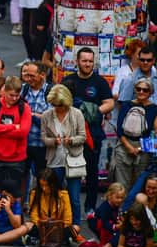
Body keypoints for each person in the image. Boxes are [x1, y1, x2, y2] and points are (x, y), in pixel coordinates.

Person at [61, 47, 115, 216]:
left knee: (92, 173)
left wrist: (94, 110)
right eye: (84, 60)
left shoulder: (100, 82)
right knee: (68, 170)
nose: (87, 64)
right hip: (70, 134)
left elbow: (110, 103)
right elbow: (58, 102)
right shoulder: (68, 80)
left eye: (90, 61)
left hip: (93, 134)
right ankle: (69, 206)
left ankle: (90, 207)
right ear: (77, 61)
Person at [41, 84, 86, 234]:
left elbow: (83, 136)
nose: (58, 108)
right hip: (54, 160)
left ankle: (75, 227)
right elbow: (43, 138)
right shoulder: (47, 115)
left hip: (73, 160)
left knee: (74, 197)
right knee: (54, 195)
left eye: (60, 105)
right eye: (55, 105)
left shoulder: (77, 114)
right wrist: (53, 141)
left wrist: (71, 140)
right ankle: (55, 225)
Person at [0, 76, 32, 184]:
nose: (14, 98)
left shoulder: (24, 107)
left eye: (17, 95)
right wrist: (14, 126)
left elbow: (23, 132)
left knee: (14, 192)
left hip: (17, 158)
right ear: (4, 91)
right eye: (11, 95)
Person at [114, 78, 157, 191]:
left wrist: (139, 148)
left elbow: (156, 133)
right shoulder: (126, 105)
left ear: (151, 92)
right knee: (121, 186)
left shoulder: (154, 109)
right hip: (124, 146)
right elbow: (119, 130)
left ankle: (135, 209)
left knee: (139, 186)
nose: (141, 92)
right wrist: (129, 147)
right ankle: (122, 209)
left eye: (145, 90)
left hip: (143, 148)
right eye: (139, 89)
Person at [25, 168, 74, 246]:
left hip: (57, 227)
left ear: (53, 184)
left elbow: (68, 220)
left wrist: (53, 224)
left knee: (76, 228)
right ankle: (59, 240)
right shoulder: (34, 194)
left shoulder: (63, 195)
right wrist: (44, 223)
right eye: (41, 185)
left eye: (46, 185)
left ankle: (40, 239)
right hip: (41, 227)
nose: (44, 188)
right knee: (27, 225)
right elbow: (34, 216)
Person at [21, 61, 52, 180]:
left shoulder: (50, 92)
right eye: (27, 75)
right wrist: (37, 115)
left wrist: (28, 114)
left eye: (32, 76)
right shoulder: (23, 90)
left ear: (42, 75)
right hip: (24, 144)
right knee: (22, 179)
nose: (28, 79)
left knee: (42, 179)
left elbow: (48, 120)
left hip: (42, 146)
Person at [90, 183, 126, 247]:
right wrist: (116, 226)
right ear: (110, 196)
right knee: (115, 231)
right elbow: (104, 223)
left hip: (105, 222)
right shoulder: (105, 207)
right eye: (117, 197)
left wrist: (121, 219)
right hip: (96, 223)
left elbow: (116, 214)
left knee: (118, 231)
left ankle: (108, 246)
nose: (120, 200)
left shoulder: (115, 204)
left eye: (121, 198)